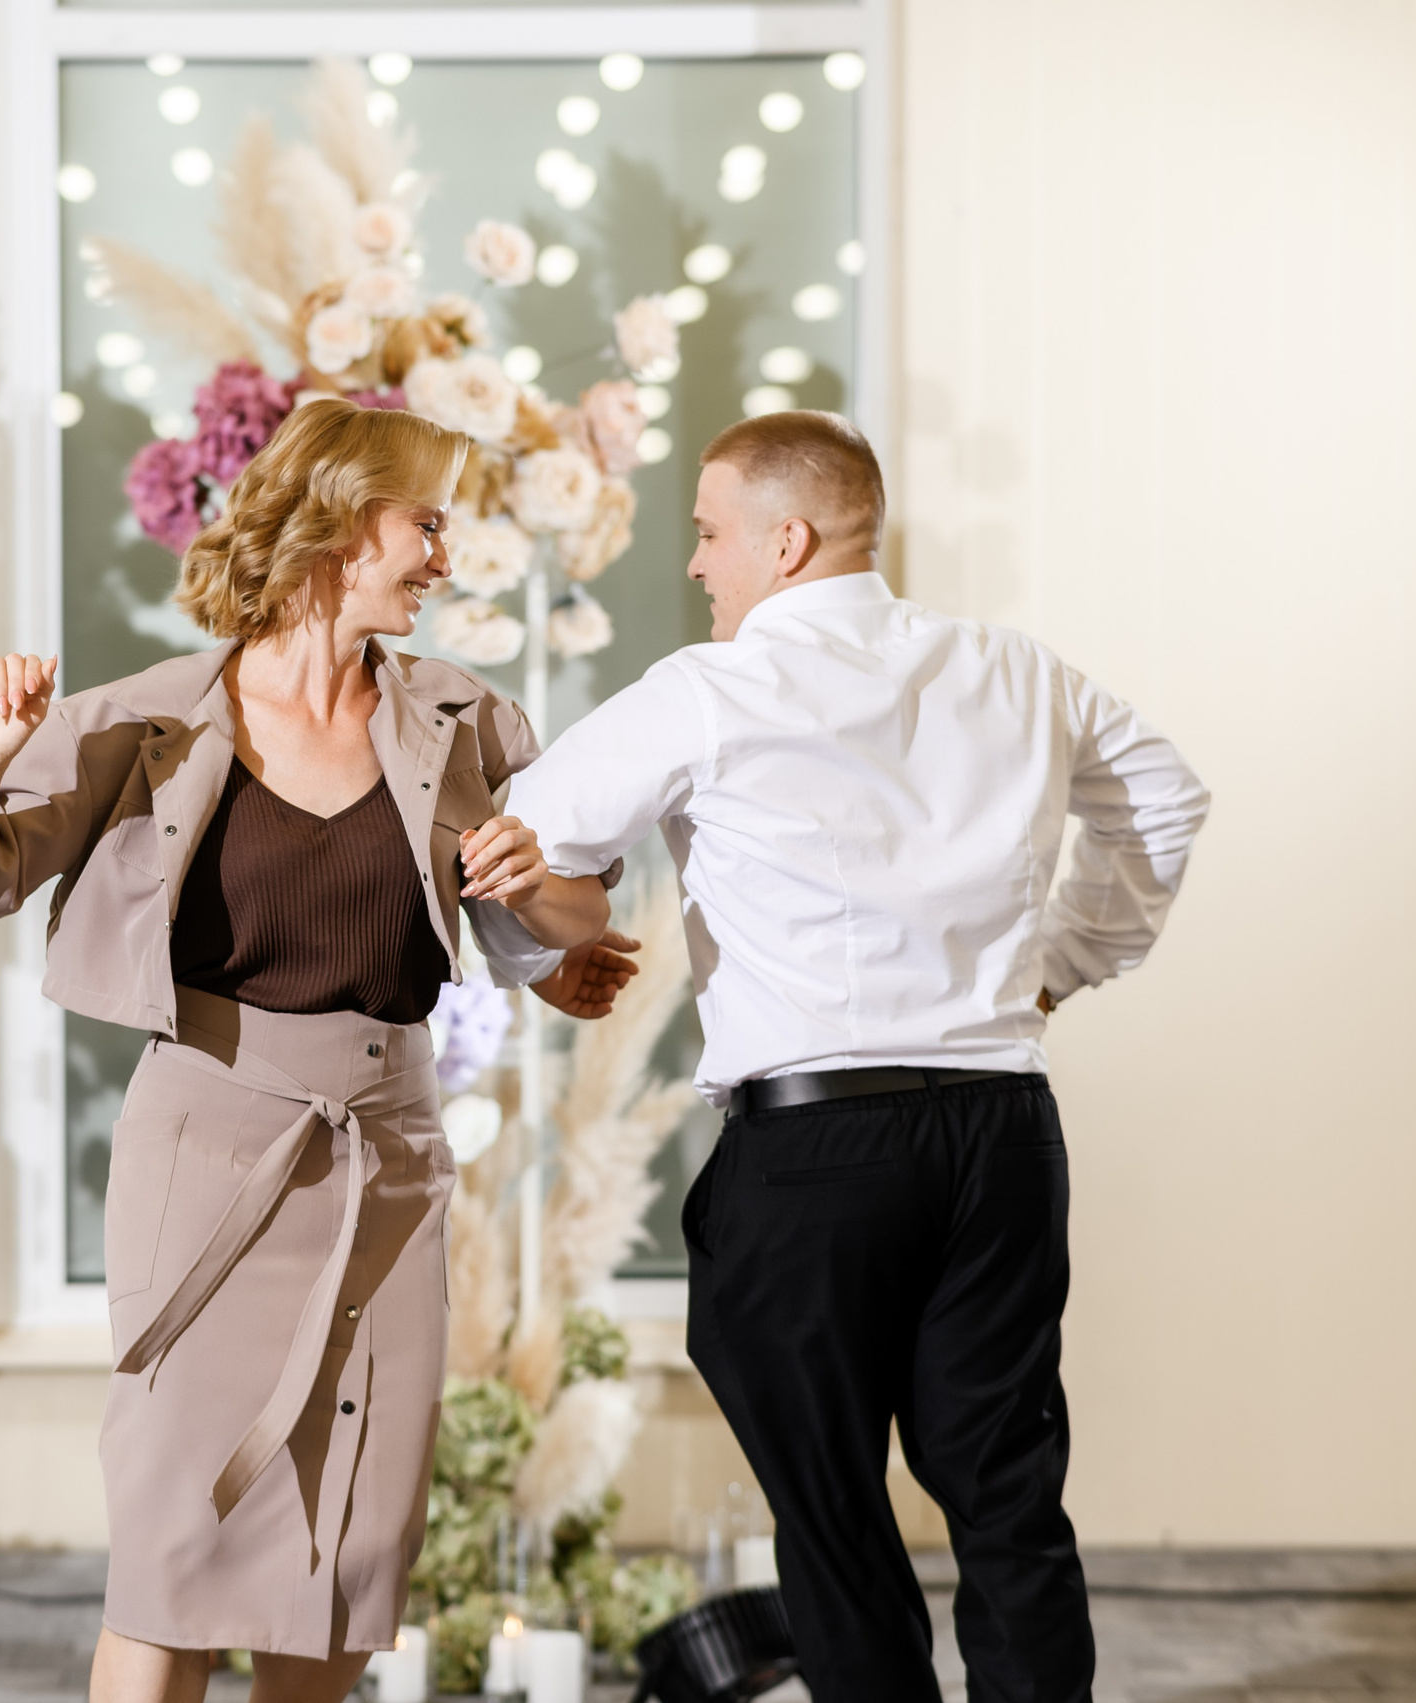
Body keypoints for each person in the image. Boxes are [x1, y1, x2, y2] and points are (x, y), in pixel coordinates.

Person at [0, 398, 624, 1703]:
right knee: (173, 1542)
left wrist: (536, 887)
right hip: (204, 1154)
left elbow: (584, 914)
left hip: (389, 1165)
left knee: (343, 1553)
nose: (444, 557)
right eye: (428, 526)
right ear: (347, 526)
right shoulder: (151, 721)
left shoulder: (469, 721)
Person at [505, 411, 1210, 1702]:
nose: (698, 565)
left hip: (815, 1147)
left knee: (829, 1509)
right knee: (1008, 1493)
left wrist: (547, 960)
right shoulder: (1011, 667)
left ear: (788, 538)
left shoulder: (711, 691)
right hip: (999, 1134)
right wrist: (1072, 957)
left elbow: (524, 842)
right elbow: (1164, 792)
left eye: (711, 534)